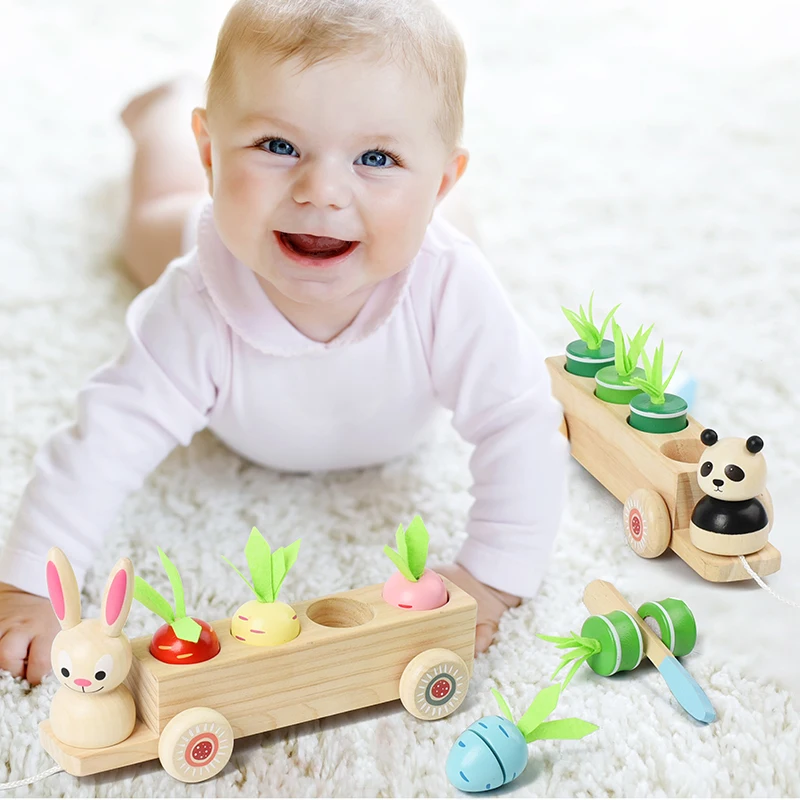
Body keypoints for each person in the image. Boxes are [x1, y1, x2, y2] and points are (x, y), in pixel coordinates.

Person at [0, 0, 568, 685]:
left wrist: (493, 575)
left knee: (449, 244)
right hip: (224, 245)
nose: (322, 191)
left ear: (441, 179)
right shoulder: (194, 302)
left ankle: (419, 202)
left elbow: (520, 421)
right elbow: (102, 441)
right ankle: (162, 112)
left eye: (376, 156)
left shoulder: (452, 291)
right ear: (211, 152)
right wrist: (29, 583)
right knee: (150, 220)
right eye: (278, 146)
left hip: (426, 251)